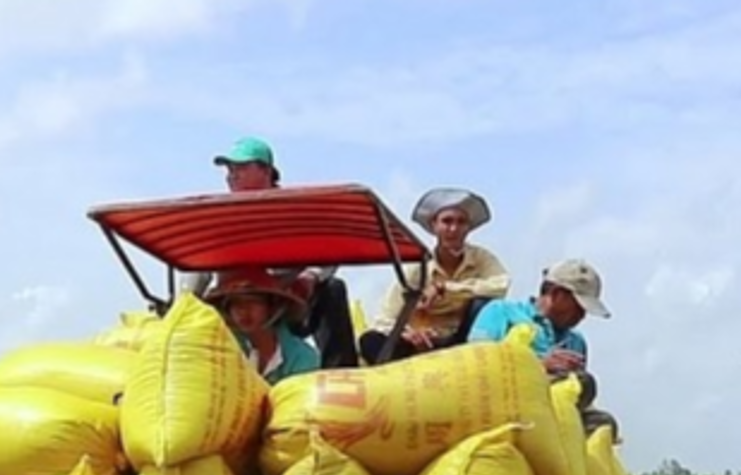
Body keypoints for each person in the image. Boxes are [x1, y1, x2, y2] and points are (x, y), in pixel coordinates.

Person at [183, 137, 359, 368]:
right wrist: (183, 306)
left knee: (333, 288)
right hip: (236, 301)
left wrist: (310, 277)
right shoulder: (220, 216)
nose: (232, 175)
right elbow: (200, 264)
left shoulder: (295, 210)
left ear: (266, 171)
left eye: (241, 168)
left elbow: (329, 248)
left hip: (284, 299)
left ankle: (339, 375)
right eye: (230, 170)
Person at [360, 187, 511, 363]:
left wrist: (446, 288)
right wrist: (410, 334)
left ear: (468, 227)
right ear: (434, 226)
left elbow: (501, 285)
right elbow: (384, 319)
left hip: (458, 341)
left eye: (461, 222)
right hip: (418, 342)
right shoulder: (418, 269)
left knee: (484, 303)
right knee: (369, 340)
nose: (453, 229)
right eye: (447, 221)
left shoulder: (482, 259)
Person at [469, 258, 610, 376]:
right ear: (556, 294)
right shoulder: (501, 313)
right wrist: (540, 366)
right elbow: (476, 365)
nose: (582, 315)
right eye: (578, 306)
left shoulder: (577, 342)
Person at [205, 269, 322, 383]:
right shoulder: (221, 348)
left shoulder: (303, 357)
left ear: (271, 306)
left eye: (253, 301)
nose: (243, 309)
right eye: (235, 303)